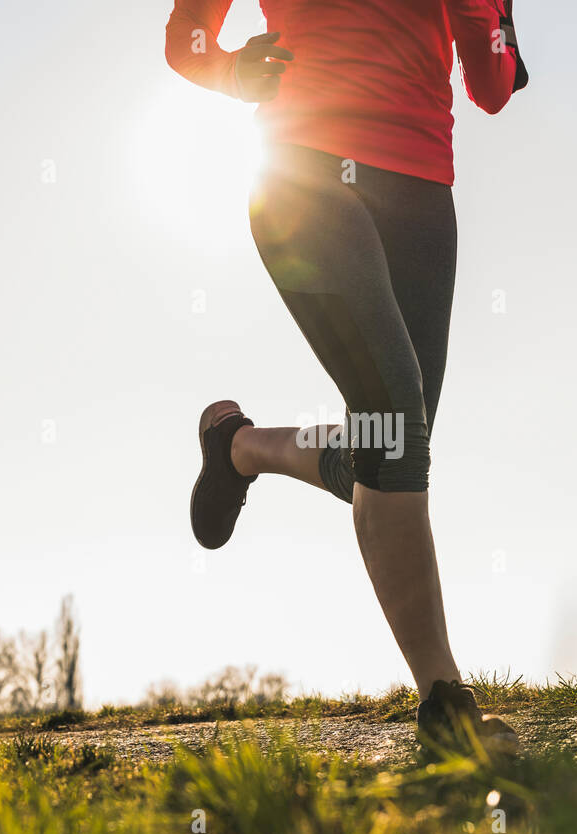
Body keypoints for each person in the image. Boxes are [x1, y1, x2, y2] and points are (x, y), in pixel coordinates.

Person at [167, 0, 529, 753]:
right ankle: (444, 705)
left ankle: (242, 448)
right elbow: (186, 37)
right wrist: (231, 68)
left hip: (423, 192)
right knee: (394, 421)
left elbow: (492, 84)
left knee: (393, 443)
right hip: (300, 174)